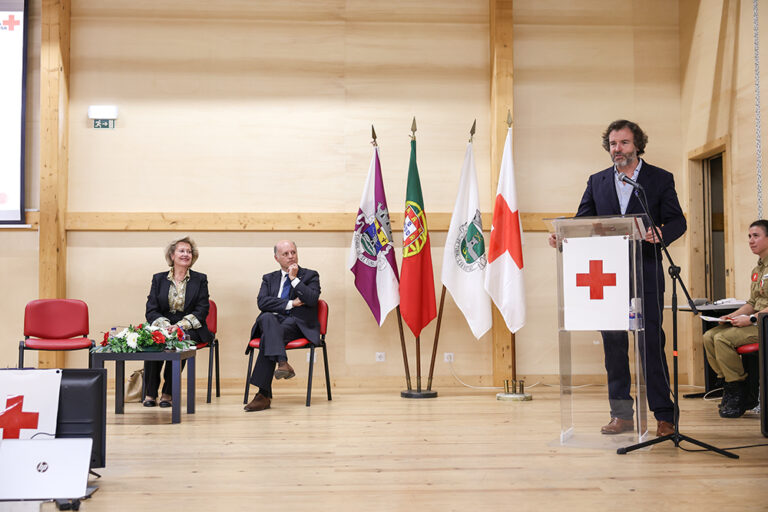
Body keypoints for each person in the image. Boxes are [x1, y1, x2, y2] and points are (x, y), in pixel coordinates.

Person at [548, 119, 687, 437]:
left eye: (623, 143)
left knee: (651, 341)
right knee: (613, 343)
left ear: (637, 144)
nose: (617, 149)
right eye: (612, 144)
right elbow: (583, 220)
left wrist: (662, 232)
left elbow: (677, 219)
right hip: (607, 274)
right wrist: (563, 236)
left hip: (647, 270)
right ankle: (622, 414)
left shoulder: (659, 179)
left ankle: (664, 415)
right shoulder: (597, 181)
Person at [244, 240, 321, 412]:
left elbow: (311, 299)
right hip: (274, 321)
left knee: (267, 336)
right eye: (285, 254)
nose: (291, 256)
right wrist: (291, 303)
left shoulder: (310, 276)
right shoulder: (269, 278)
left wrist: (294, 280)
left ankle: (263, 395)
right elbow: (262, 302)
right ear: (276, 258)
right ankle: (282, 362)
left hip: (296, 325)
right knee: (266, 318)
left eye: (293, 252)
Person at [702, 220, 768, 418]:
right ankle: (729, 386)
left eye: (756, 236)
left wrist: (752, 320)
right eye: (749, 236)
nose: (751, 240)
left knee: (723, 339)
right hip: (756, 320)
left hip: (763, 323)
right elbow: (751, 302)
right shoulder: (757, 271)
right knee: (709, 336)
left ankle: (739, 391)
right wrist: (732, 316)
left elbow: (758, 310)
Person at [144, 236, 213, 407]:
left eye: (189, 252)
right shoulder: (158, 279)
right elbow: (151, 309)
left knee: (180, 340)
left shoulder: (200, 279)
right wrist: (166, 326)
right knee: (154, 339)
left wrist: (180, 326)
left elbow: (202, 309)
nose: (186, 254)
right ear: (172, 255)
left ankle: (168, 392)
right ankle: (150, 393)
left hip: (190, 326)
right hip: (164, 324)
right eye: (182, 251)